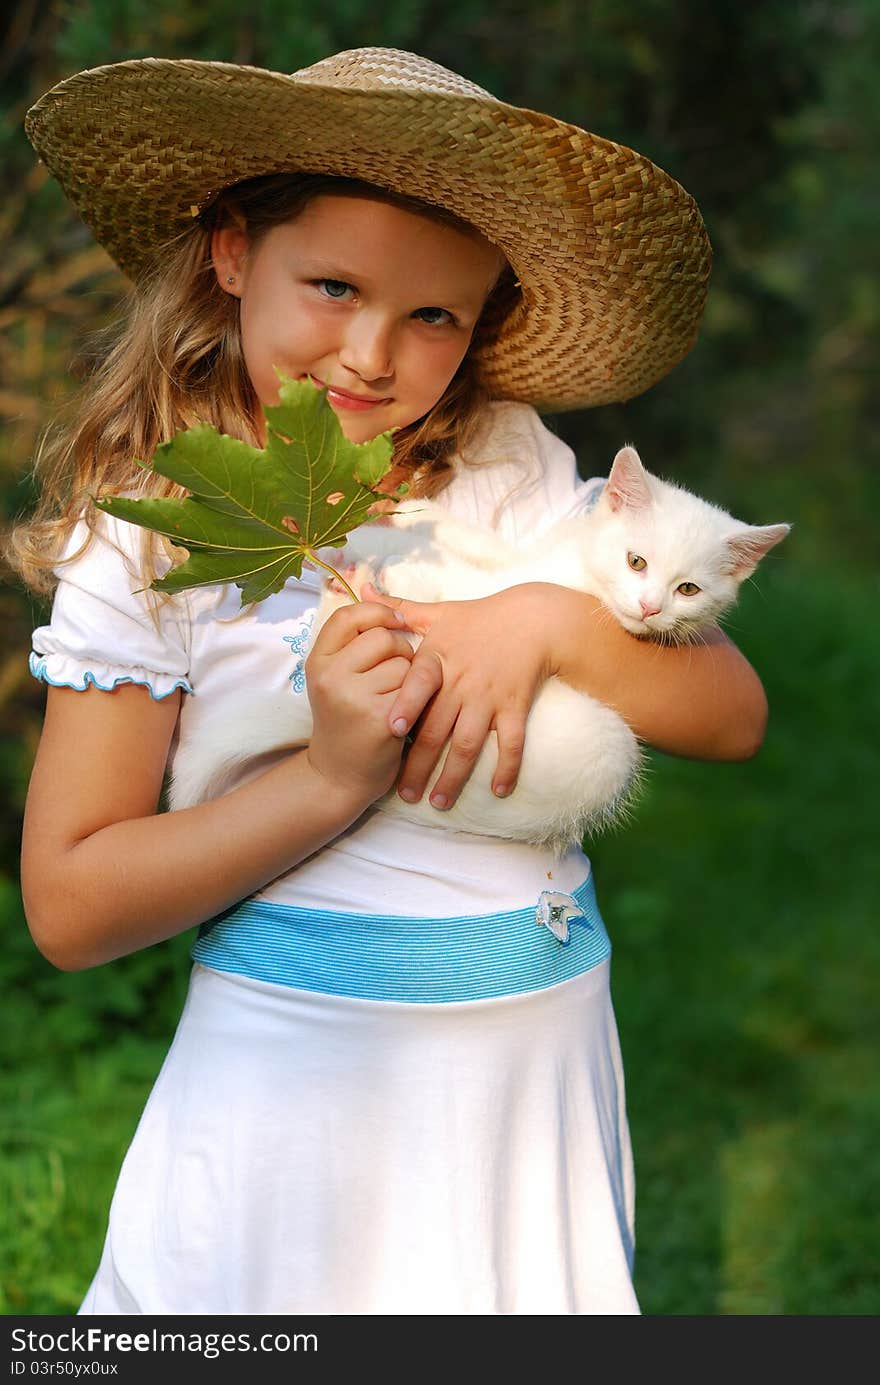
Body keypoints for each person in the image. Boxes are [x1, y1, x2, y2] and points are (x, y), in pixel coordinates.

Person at [11, 48, 767, 1315]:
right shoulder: (152, 531)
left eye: (434, 317)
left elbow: (730, 715)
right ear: (232, 251)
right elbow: (71, 906)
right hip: (293, 1081)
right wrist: (328, 778)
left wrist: (542, 622)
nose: (370, 352)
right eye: (332, 285)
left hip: (533, 1061)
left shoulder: (503, 467)